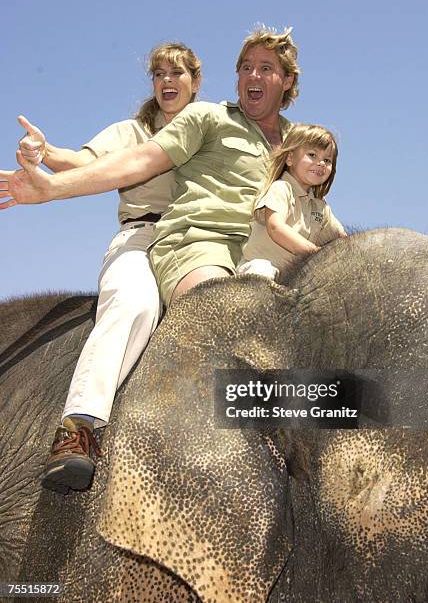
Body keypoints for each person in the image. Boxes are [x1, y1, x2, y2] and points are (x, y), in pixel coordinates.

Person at [0, 27, 300, 482]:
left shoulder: (295, 142)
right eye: (245, 67)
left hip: (254, 252)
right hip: (167, 240)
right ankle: (80, 426)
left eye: (265, 69)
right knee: (135, 303)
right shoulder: (194, 121)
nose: (252, 75)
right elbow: (122, 162)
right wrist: (51, 175)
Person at [13, 42, 202, 494]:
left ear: (195, 82)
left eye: (177, 73)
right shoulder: (132, 131)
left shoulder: (211, 125)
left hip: (199, 244)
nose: (167, 81)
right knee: (132, 303)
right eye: (159, 74)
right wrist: (44, 151)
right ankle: (79, 429)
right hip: (142, 236)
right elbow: (85, 162)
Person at [237, 124, 347, 280]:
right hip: (261, 267)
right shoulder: (281, 188)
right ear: (290, 158)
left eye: (327, 160)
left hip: (293, 278)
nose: (321, 163)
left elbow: (342, 238)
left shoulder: (320, 207)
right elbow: (275, 227)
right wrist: (315, 254)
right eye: (312, 155)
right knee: (262, 270)